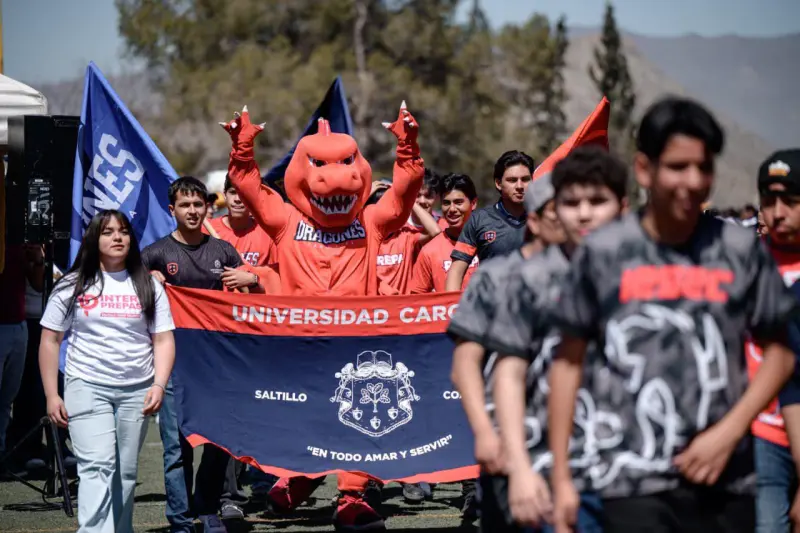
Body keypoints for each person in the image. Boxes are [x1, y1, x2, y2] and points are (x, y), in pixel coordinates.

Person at [547, 97, 799, 533]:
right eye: (678, 168)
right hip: (630, 480)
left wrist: (730, 432)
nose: (693, 181)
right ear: (645, 170)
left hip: (727, 479)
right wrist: (562, 478)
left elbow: (781, 354)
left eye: (703, 168)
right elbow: (568, 365)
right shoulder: (604, 253)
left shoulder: (740, 250)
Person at [222, 103, 423, 531]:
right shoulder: (285, 220)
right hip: (304, 343)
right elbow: (249, 185)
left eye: (347, 163)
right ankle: (300, 478)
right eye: (319, 165)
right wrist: (242, 146)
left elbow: (405, 193)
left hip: (358, 346)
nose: (335, 178)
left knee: (362, 419)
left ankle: (350, 497)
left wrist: (408, 146)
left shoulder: (370, 221)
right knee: (308, 416)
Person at [487, 146, 628, 532]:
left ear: (624, 206)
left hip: (639, 476)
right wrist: (518, 466)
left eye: (597, 201)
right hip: (551, 468)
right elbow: (508, 376)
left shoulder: (650, 276)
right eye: (571, 203)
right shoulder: (526, 281)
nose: (583, 214)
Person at [39, 210, 175, 533]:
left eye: (124, 231)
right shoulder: (72, 285)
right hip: (86, 386)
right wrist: (51, 394)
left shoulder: (149, 285)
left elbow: (164, 339)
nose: (117, 237)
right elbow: (49, 340)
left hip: (137, 391)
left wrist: (159, 383)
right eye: (108, 232)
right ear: (94, 239)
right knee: (97, 466)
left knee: (125, 472)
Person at [447, 176, 565, 522]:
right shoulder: (496, 278)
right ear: (535, 219)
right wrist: (484, 432)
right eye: (560, 210)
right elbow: (465, 365)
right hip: (508, 439)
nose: (574, 218)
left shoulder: (585, 275)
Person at [142, 177, 247, 533]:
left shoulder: (224, 251)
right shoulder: (155, 254)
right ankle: (180, 519)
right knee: (177, 447)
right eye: (184, 205)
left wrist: (251, 280)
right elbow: (134, 302)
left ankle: (207, 508)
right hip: (172, 366)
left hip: (217, 366)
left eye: (198, 204)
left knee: (217, 441)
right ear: (171, 210)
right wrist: (147, 282)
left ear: (207, 207)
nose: (192, 211)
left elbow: (250, 304)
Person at [748, 148, 800, 532]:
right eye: (769, 201)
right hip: (757, 435)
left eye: (791, 202)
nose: (778, 212)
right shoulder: (740, 263)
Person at [445, 150, 534, 291]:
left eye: (525, 179)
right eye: (512, 180)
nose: (519, 186)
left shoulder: (546, 217)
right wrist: (452, 309)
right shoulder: (479, 220)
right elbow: (456, 271)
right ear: (498, 183)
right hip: (493, 308)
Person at [0, 240, 45, 460]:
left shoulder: (17, 244)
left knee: (8, 398)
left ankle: (3, 455)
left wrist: (38, 260)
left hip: (19, 324)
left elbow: (37, 284)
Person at [204, 175, 281, 294]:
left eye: (244, 193)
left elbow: (277, 279)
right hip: (217, 308)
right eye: (233, 192)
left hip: (252, 308)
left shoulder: (269, 233)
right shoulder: (206, 230)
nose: (237, 199)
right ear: (225, 194)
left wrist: (253, 279)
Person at [369, 180, 441, 295]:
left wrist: (408, 198)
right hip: (375, 309)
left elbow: (435, 231)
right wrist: (366, 195)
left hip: (402, 308)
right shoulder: (365, 239)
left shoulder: (405, 235)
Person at [410, 173, 479, 293]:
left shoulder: (489, 243)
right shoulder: (429, 251)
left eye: (458, 202)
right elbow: (416, 299)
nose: (452, 209)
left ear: (473, 203)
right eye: (446, 203)